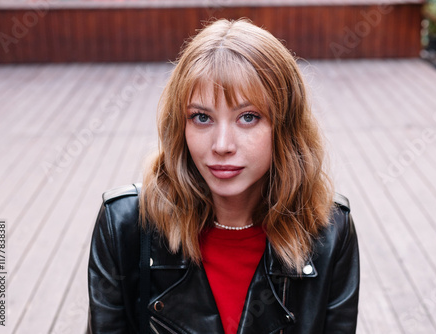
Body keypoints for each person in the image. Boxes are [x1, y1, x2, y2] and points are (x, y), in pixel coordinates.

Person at [87, 18, 359, 334]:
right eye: (202, 117)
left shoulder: (329, 230)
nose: (222, 145)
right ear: (181, 126)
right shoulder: (124, 225)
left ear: (285, 126)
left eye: (248, 117)